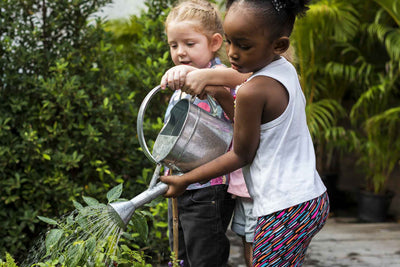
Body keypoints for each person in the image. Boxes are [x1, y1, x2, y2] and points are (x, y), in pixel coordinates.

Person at [160, 0, 330, 266]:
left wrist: (186, 179)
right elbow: (248, 122)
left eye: (244, 45)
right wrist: (215, 88)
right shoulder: (285, 70)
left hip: (281, 208)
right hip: (309, 198)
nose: (232, 53)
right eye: (229, 42)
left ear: (279, 45)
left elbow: (241, 153)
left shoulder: (252, 90)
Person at [158, 1, 244, 266]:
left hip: (210, 190)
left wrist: (195, 73)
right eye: (174, 45)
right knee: (182, 256)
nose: (180, 53)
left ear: (215, 42)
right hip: (184, 185)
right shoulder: (181, 83)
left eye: (189, 44)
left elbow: (244, 79)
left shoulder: (219, 73)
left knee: (205, 257)